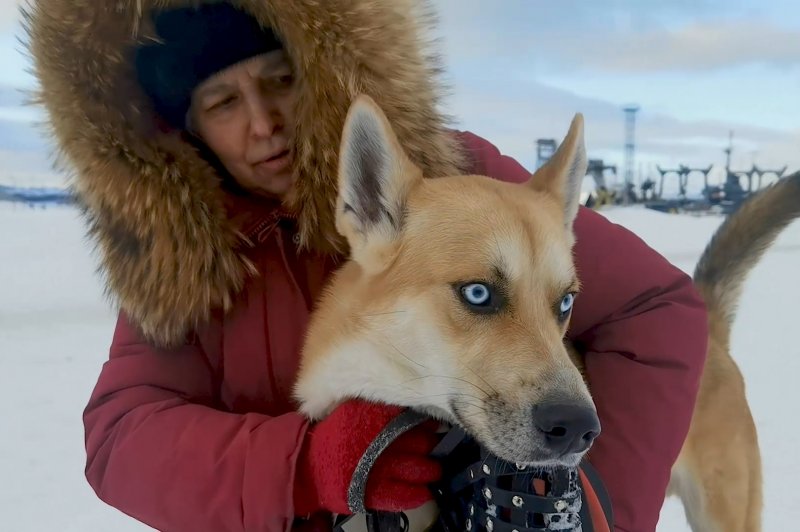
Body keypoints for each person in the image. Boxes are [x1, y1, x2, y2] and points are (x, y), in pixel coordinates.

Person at [26, 1, 708, 531]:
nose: (264, 122)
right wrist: (306, 462)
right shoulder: (177, 252)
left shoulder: (456, 183)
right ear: (191, 128)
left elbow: (656, 312)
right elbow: (121, 437)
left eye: (280, 80)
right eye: (224, 103)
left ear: (320, 74)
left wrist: (598, 508)